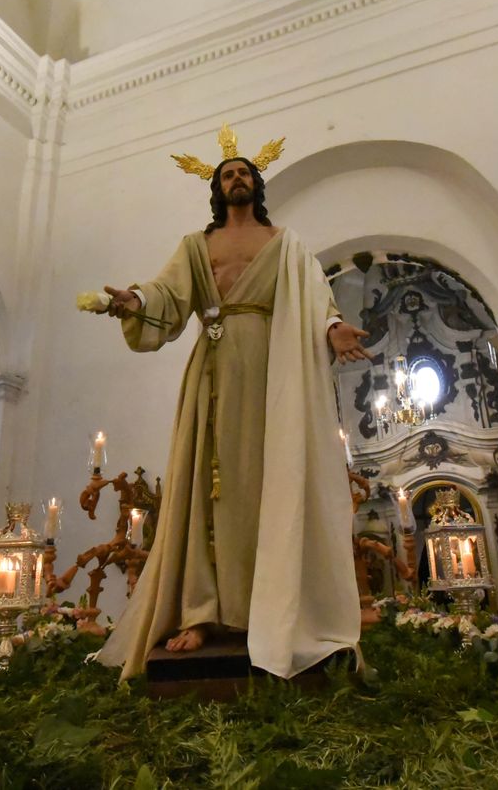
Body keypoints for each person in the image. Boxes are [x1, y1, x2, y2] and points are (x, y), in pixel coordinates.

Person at [91, 139, 370, 680]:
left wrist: (333, 330)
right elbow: (165, 296)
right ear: (217, 189)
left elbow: (319, 302)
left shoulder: (285, 245)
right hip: (214, 373)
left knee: (269, 483)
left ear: (256, 184)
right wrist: (135, 302)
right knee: (207, 488)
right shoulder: (198, 246)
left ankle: (273, 608)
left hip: (272, 375)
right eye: (227, 175)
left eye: (244, 172)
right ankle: (204, 613)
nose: (237, 179)